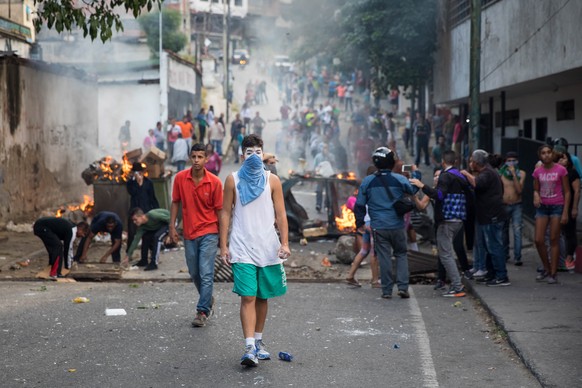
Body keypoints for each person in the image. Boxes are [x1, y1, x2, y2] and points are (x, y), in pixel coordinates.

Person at [219, 134, 290, 367]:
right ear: (242, 155)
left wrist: (285, 243)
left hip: (268, 247)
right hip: (241, 247)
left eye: (257, 152)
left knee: (262, 296)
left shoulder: (273, 181)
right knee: (248, 295)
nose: (253, 156)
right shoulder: (232, 180)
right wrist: (223, 245)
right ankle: (249, 346)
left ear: (263, 154)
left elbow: (280, 215)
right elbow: (226, 213)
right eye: (249, 152)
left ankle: (259, 341)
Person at [170, 143, 223, 327]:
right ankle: (208, 299)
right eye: (194, 157)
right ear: (189, 158)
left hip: (209, 232)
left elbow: (220, 211)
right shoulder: (180, 178)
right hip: (189, 232)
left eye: (200, 157)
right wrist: (172, 227)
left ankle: (202, 311)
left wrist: (224, 239)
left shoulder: (215, 182)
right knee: (194, 272)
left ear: (206, 159)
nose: (197, 161)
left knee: (206, 272)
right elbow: (175, 202)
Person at [354, 147, 416, 299]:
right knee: (401, 254)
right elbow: (413, 190)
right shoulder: (399, 179)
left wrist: (359, 223)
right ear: (391, 163)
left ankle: (387, 290)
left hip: (379, 227)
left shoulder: (368, 181)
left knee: (384, 257)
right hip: (397, 225)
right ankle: (402, 287)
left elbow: (359, 205)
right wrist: (416, 173)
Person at [410, 150, 470, 297]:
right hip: (458, 219)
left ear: (443, 163)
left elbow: (439, 195)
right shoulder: (460, 176)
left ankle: (457, 286)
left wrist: (421, 185)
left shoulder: (445, 176)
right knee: (447, 253)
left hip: (447, 221)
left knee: (446, 255)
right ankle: (455, 284)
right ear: (455, 162)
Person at [461, 150, 510, 286]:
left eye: (471, 161)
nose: (470, 163)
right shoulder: (487, 172)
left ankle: (501, 276)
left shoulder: (487, 173)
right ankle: (491, 273)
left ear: (476, 163)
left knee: (494, 246)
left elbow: (476, 183)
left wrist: (465, 174)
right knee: (489, 247)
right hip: (487, 215)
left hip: (492, 215)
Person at [532, 144, 570, 284]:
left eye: (549, 152)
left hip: (557, 206)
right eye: (543, 153)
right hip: (542, 207)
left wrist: (565, 211)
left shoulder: (561, 170)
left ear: (552, 154)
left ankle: (553, 273)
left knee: (554, 239)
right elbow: (536, 188)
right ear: (540, 155)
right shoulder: (538, 171)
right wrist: (535, 194)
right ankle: (546, 268)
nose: (546, 155)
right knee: (538, 239)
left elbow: (567, 191)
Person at [126, 162, 159, 254]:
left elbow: (152, 197)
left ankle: (153, 253)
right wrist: (138, 184)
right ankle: (129, 254)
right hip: (134, 212)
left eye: (140, 172)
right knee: (132, 234)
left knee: (148, 234)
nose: (138, 174)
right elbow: (133, 193)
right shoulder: (130, 183)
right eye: (136, 172)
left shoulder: (148, 182)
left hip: (146, 211)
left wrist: (156, 210)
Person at [500, 151, 526, 266]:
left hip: (517, 205)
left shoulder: (521, 173)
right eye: (509, 160)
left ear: (517, 161)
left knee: (517, 230)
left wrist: (514, 175)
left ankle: (517, 257)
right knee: (504, 231)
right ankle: (505, 254)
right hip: (504, 205)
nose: (511, 163)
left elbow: (519, 190)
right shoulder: (501, 174)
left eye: (513, 160)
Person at [557, 152, 580, 270]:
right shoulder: (556, 173)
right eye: (559, 159)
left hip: (569, 206)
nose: (561, 161)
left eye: (563, 158)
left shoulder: (572, 173)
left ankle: (570, 257)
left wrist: (575, 207)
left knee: (570, 231)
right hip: (557, 205)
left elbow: (576, 191)